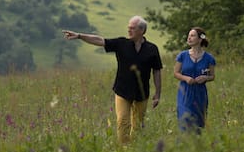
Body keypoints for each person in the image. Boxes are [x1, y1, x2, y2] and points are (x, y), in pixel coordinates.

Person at [62, 15, 163, 144]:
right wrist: (80, 36)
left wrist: (158, 93)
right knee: (122, 121)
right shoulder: (121, 44)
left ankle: (134, 148)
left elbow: (157, 71)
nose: (129, 31)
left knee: (138, 125)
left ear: (142, 31)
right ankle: (124, 149)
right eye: (128, 28)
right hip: (122, 91)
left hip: (141, 93)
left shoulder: (152, 49)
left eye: (132, 28)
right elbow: (100, 40)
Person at [174, 27, 216, 132]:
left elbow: (212, 76)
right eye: (188, 36)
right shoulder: (182, 56)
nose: (189, 38)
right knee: (185, 121)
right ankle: (183, 145)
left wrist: (205, 78)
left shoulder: (209, 58)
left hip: (200, 94)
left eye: (192, 36)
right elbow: (176, 73)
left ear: (200, 39)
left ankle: (197, 146)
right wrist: (186, 78)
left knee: (198, 125)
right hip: (185, 93)